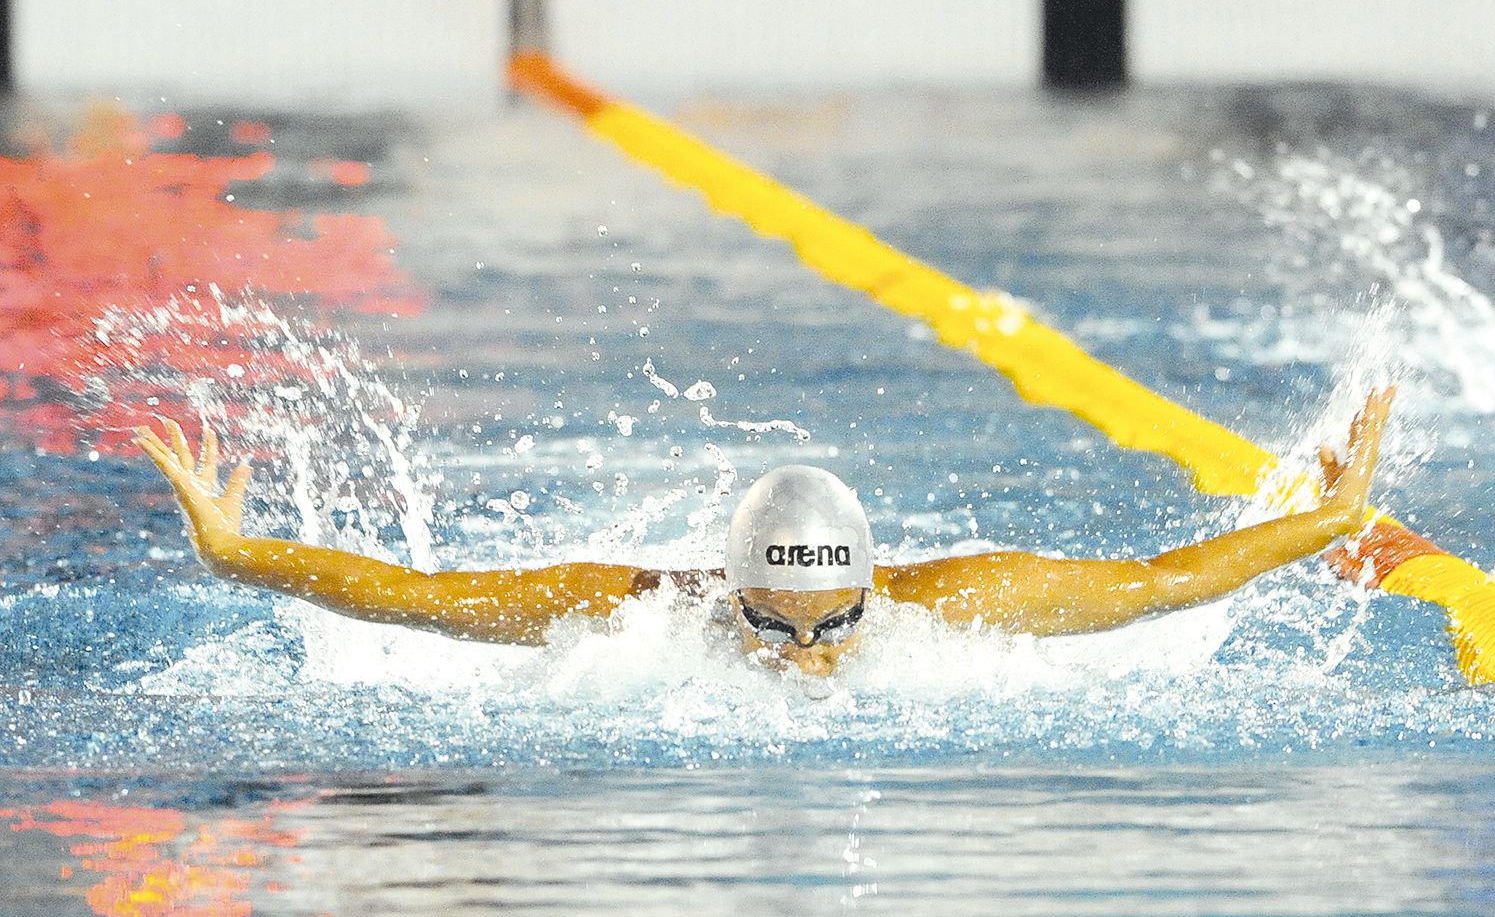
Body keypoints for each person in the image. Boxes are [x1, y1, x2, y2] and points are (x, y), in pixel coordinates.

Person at [134, 386, 1395, 677]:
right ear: (726, 591)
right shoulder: (636, 609)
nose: (807, 659)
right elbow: (422, 598)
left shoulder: (948, 600)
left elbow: (1158, 584)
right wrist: (240, 557)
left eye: (833, 624)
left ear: (868, 587)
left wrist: (1323, 521)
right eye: (775, 627)